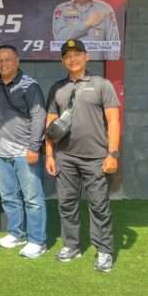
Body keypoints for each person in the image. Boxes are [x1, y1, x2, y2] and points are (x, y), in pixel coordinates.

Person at [45, 38, 121, 273]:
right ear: (62, 61)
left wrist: (113, 154)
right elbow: (50, 124)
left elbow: (114, 121)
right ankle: (71, 246)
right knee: (66, 204)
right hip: (65, 157)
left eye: (77, 54)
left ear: (86, 57)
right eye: (68, 56)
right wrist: (49, 155)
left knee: (99, 205)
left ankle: (104, 250)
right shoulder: (57, 88)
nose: (73, 59)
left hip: (96, 157)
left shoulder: (101, 84)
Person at [0, 45, 48, 258]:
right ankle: (16, 233)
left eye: (8, 59)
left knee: (32, 199)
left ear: (17, 61)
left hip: (25, 152)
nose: (3, 63)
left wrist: (34, 147)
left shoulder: (30, 86)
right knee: (9, 196)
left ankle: (37, 241)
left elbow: (39, 116)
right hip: (2, 153)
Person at [52, 0, 120, 60]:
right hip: (71, 64)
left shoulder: (105, 9)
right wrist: (87, 24)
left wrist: (111, 65)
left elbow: (113, 44)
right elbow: (59, 39)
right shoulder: (61, 10)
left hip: (98, 65)